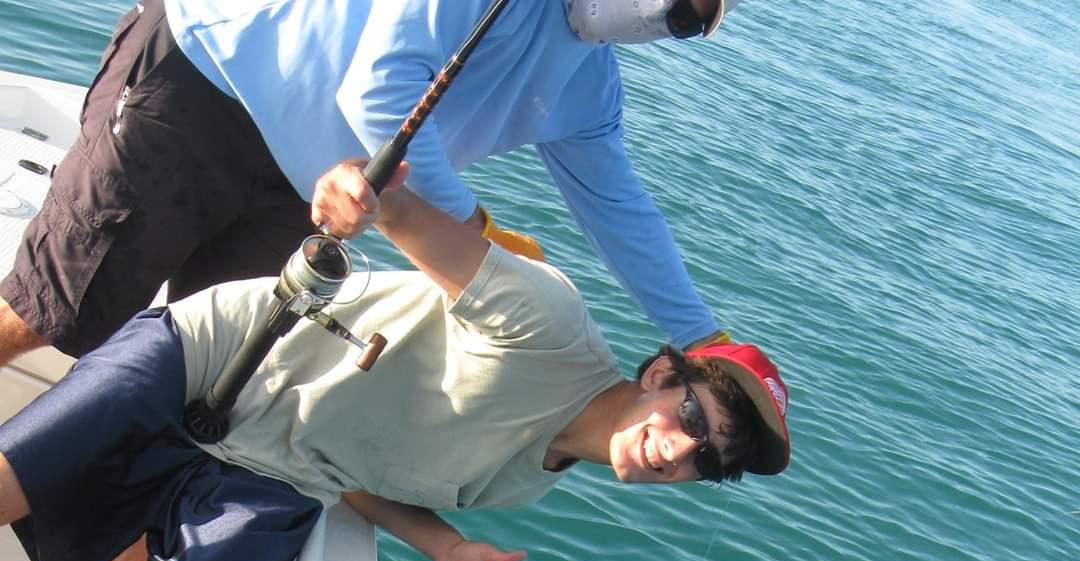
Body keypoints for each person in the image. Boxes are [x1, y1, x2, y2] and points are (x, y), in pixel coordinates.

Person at [0, 159, 789, 561]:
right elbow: (397, 211)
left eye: (707, 461)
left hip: (281, 471)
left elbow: (359, 478)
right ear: (661, 374)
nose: (679, 450)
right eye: (693, 415)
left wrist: (442, 546)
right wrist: (355, 190)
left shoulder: (531, 483)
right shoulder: (551, 322)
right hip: (216, 359)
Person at [0, 0, 739, 371]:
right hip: (205, 85)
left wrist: (704, 339)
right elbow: (378, 94)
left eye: (682, 18)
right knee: (56, 312)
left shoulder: (589, 88)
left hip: (310, 190)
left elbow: (621, 209)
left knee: (196, 366)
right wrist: (474, 233)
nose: (654, 11)